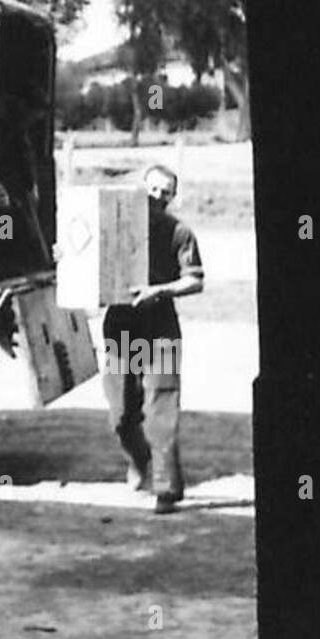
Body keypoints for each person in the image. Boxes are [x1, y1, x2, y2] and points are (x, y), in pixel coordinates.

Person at [101, 164, 204, 515]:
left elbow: (195, 280)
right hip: (121, 323)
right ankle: (139, 460)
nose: (159, 197)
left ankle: (166, 489)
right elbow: (86, 259)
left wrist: (160, 290)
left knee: (161, 407)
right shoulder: (116, 226)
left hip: (159, 324)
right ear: (141, 189)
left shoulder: (179, 232)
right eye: (154, 189)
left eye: (167, 192)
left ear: (173, 197)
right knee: (121, 412)